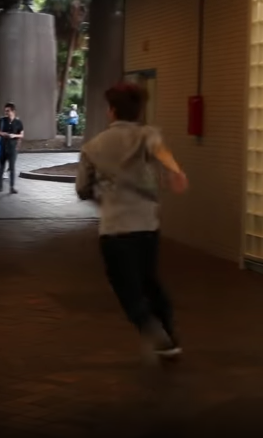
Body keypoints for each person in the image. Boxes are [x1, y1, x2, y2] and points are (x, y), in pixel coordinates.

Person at [75, 83, 189, 364]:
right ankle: (170, 336)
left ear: (112, 111)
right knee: (150, 281)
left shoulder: (93, 146)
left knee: (126, 287)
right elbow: (160, 151)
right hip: (147, 227)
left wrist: (99, 196)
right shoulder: (146, 135)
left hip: (115, 229)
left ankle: (152, 331)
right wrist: (176, 172)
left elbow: (82, 188)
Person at [0, 102, 24, 194]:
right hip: (3, 146)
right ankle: (0, 186)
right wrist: (3, 134)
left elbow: (22, 134)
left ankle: (12, 187)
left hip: (13, 147)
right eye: (5, 111)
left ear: (13, 111)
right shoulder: (2, 120)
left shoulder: (18, 122)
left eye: (8, 111)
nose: (6, 113)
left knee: (12, 167)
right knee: (1, 167)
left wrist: (14, 135)